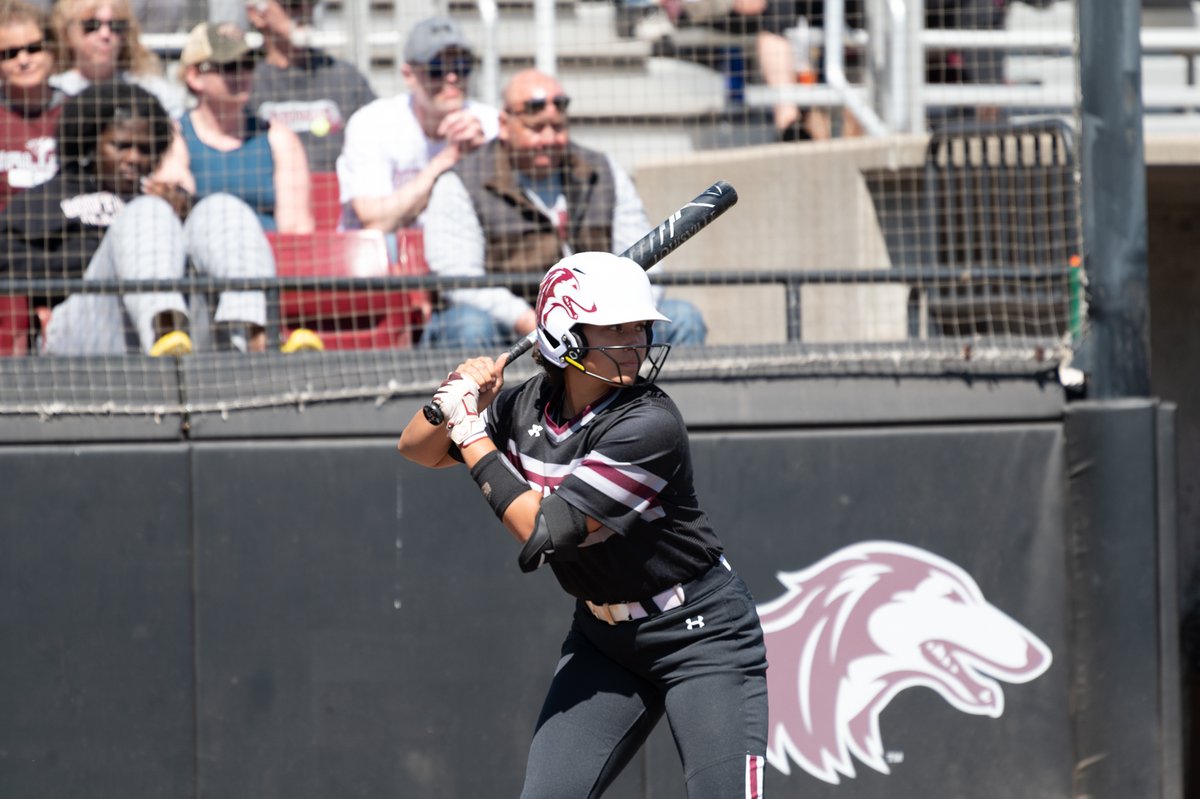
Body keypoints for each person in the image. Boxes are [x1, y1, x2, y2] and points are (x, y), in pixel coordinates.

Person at [397, 251, 769, 798]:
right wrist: (452, 396)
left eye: (638, 327)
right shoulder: (525, 405)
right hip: (603, 639)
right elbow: (416, 449)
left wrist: (473, 434)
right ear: (563, 335)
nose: (635, 342)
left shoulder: (649, 423)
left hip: (702, 634)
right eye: (613, 328)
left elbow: (544, 528)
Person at [0, 80, 294, 355]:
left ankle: (259, 340)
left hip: (186, 334)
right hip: (83, 331)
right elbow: (8, 259)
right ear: (90, 144)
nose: (134, 158)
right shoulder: (48, 198)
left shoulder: (162, 200)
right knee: (146, 214)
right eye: (121, 146)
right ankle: (162, 332)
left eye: (145, 149)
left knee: (222, 207)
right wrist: (109, 250)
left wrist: (181, 217)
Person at [420, 68, 707, 350]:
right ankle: (488, 399)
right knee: (469, 326)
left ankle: (655, 399)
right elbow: (459, 279)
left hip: (603, 320)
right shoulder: (462, 182)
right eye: (536, 129)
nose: (549, 139)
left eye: (558, 127)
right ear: (504, 126)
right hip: (513, 326)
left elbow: (648, 259)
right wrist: (531, 321)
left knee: (683, 318)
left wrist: (622, 317)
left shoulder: (601, 170)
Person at [336, 14, 499, 240]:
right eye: (436, 69)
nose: (451, 78)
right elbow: (376, 221)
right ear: (408, 75)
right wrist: (449, 158)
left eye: (462, 67)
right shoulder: (374, 123)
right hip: (382, 258)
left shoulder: (489, 123)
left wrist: (487, 156)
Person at [178, 20, 313, 233]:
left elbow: (296, 229)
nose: (242, 74)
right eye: (229, 66)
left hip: (268, 259)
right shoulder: (176, 137)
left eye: (248, 64)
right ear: (194, 76)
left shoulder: (279, 139)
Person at [245, 0, 376, 173]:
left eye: (312, 3)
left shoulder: (344, 77)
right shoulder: (242, 82)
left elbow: (379, 138)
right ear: (257, 14)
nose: (305, 12)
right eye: (293, 5)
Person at [49, 0, 185, 118]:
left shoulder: (155, 91)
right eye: (92, 25)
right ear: (67, 34)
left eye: (116, 26)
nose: (105, 34)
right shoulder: (50, 91)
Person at [0, 0, 63, 212]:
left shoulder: (78, 111)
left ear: (52, 50)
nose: (24, 60)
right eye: (10, 53)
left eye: (34, 48)